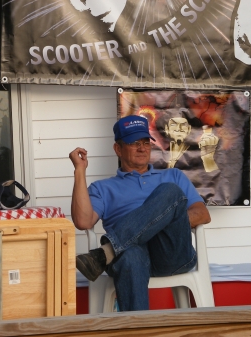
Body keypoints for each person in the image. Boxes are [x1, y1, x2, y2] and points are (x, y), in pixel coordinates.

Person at [69, 114, 211, 311]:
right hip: (130, 257)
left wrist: (161, 221)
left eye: (146, 142)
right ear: (118, 149)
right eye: (134, 142)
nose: (142, 147)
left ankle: (106, 253)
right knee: (130, 256)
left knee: (169, 191)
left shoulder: (173, 176)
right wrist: (79, 170)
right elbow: (83, 222)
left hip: (171, 255)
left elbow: (203, 215)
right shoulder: (102, 188)